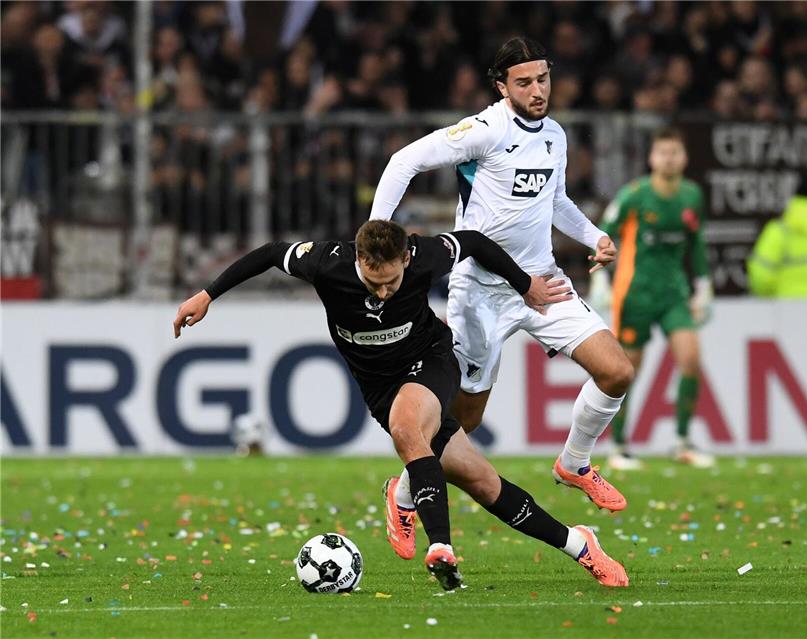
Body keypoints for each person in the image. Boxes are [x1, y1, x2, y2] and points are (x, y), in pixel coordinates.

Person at [173, 220, 629, 590]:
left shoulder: (424, 253)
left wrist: (524, 283)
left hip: (431, 360)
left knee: (409, 430)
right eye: (374, 282)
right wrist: (207, 294)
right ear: (359, 260)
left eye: (391, 281)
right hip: (378, 387)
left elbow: (473, 241)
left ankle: (441, 546)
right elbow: (271, 253)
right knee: (481, 481)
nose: (383, 292)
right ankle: (579, 544)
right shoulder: (327, 262)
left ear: (406, 259)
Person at [369, 37, 636, 561]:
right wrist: (377, 235)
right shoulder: (484, 131)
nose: (538, 91)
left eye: (543, 79)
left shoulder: (554, 136)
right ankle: (402, 495)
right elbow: (403, 161)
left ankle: (574, 464)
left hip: (542, 284)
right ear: (501, 86)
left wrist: (596, 236)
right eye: (524, 83)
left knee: (617, 371)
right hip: (481, 293)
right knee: (462, 423)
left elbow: (556, 201)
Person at [595, 127, 716, 470]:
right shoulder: (635, 196)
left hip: (674, 294)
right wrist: (602, 278)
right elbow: (604, 234)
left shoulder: (692, 196)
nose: (668, 159)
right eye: (663, 152)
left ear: (684, 158)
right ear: (651, 158)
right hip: (636, 294)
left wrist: (703, 284)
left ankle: (682, 442)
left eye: (674, 152)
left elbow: (696, 243)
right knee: (627, 371)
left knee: (690, 360)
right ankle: (619, 446)